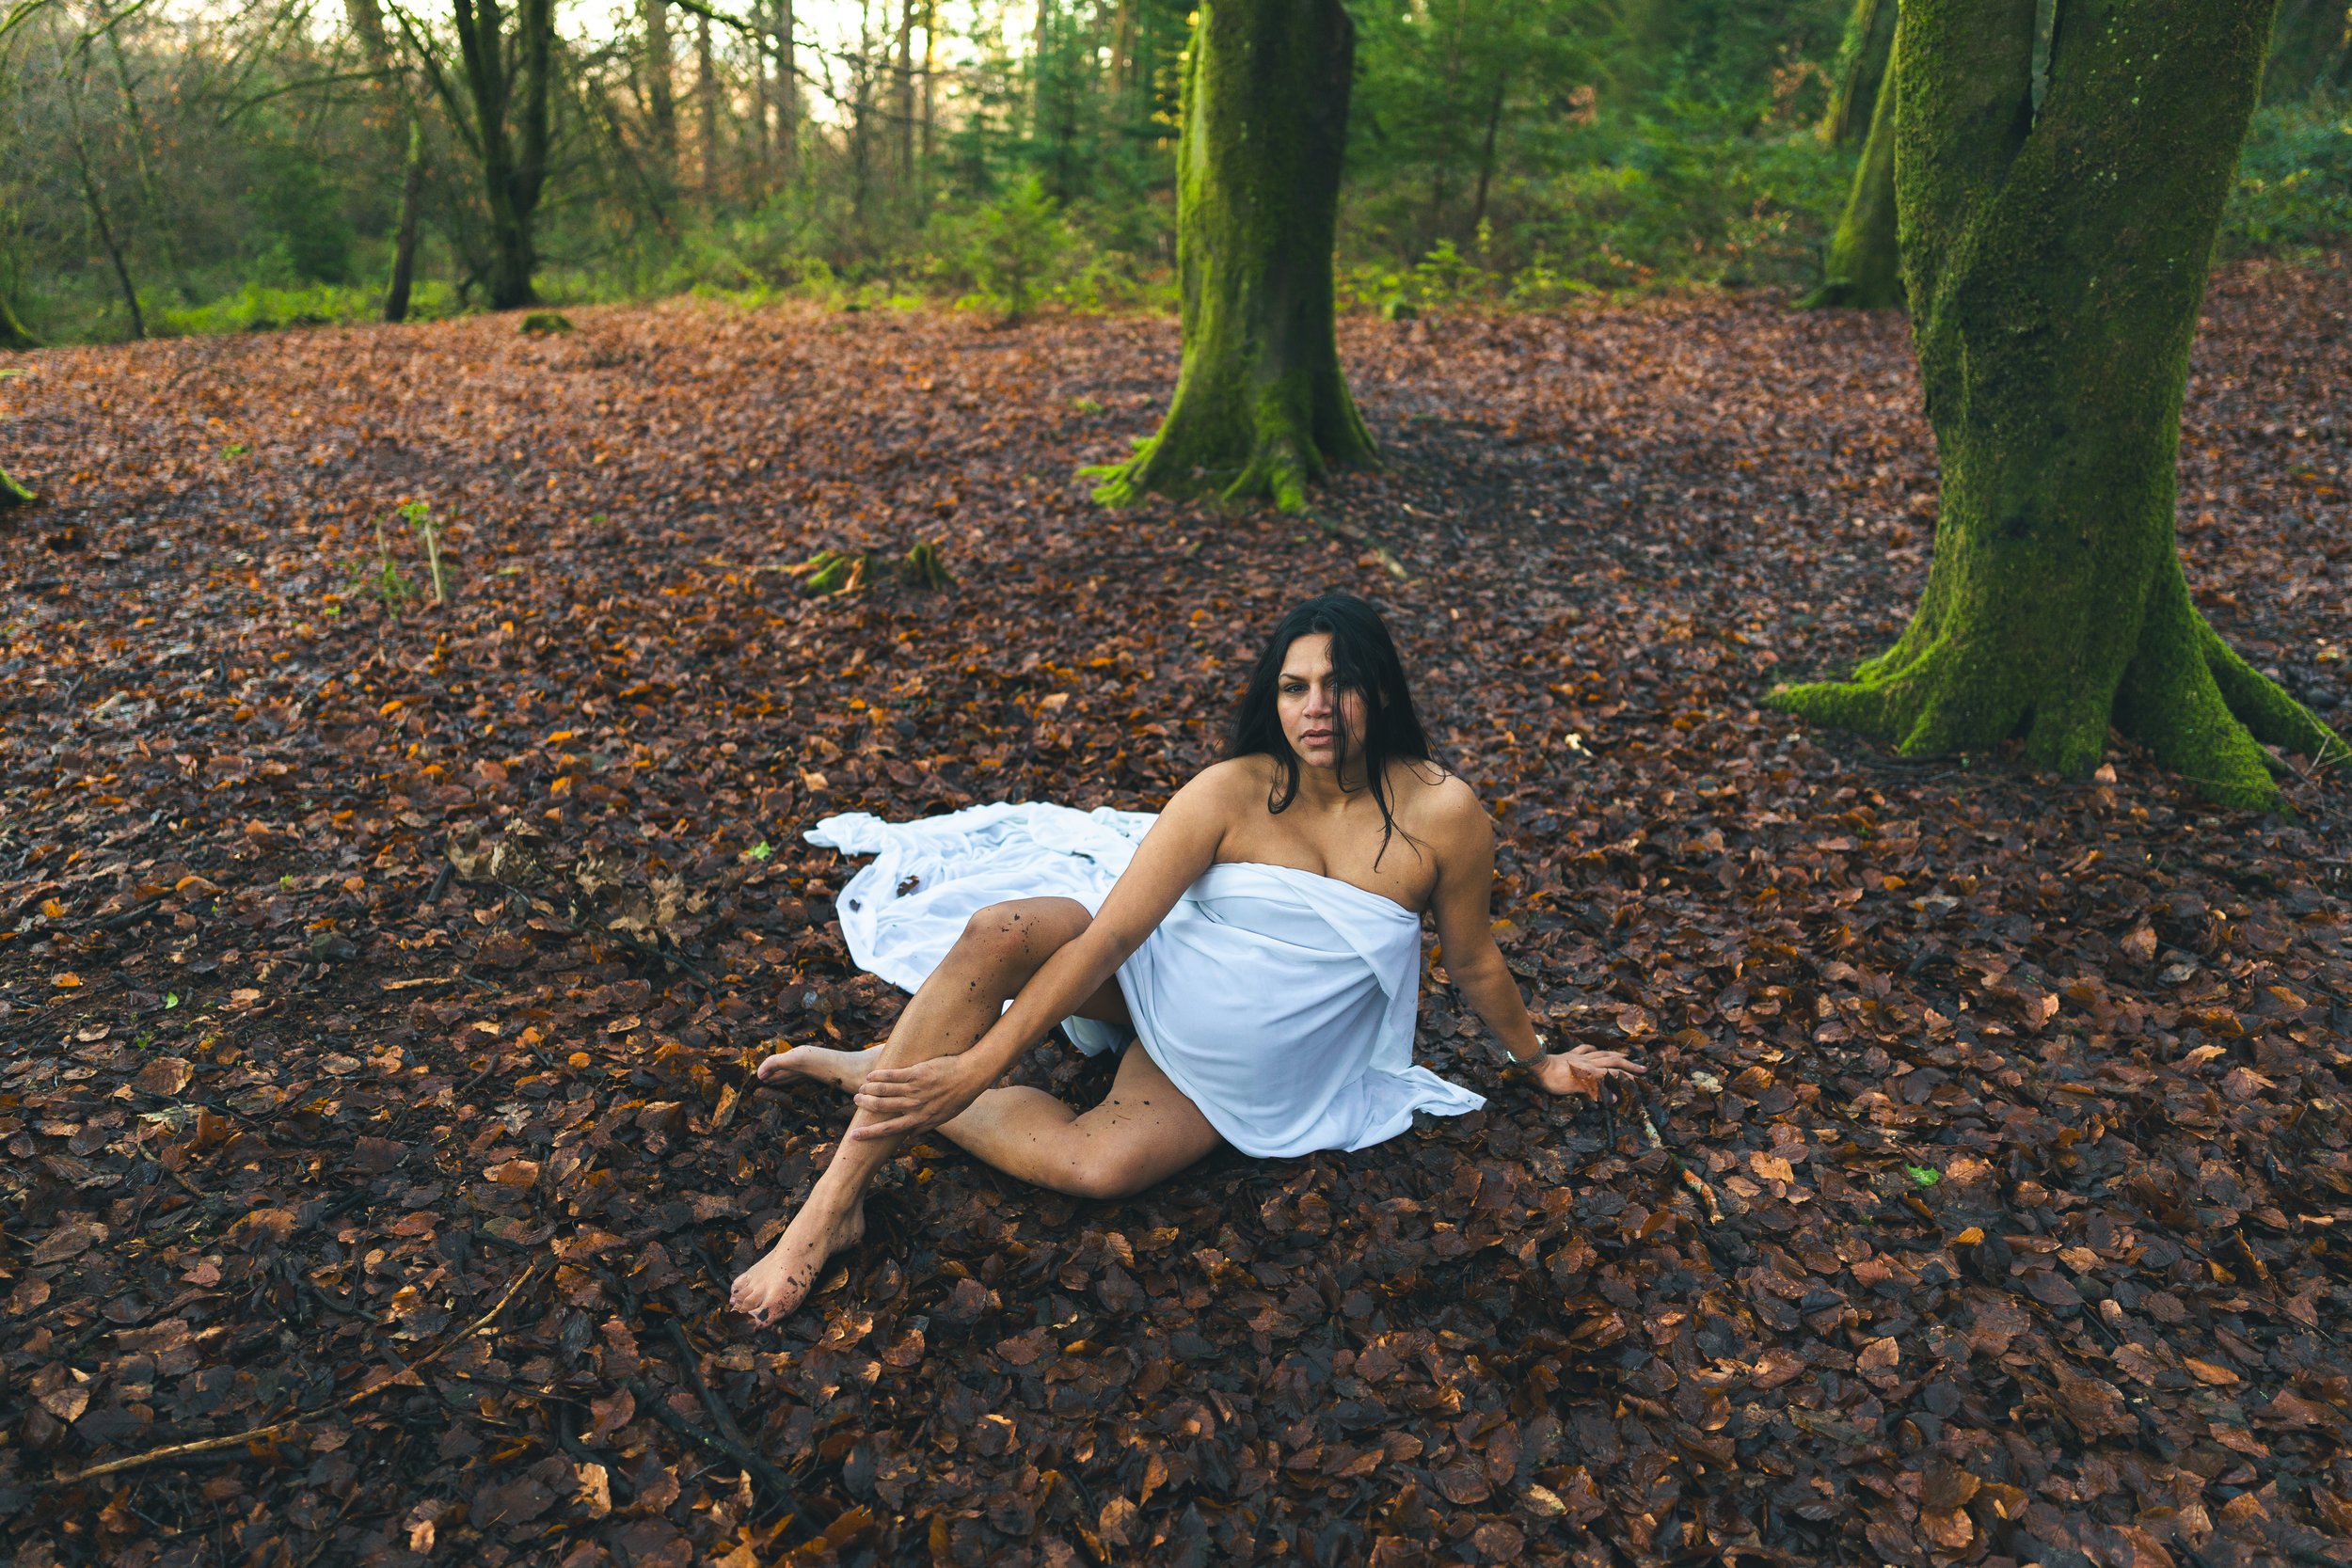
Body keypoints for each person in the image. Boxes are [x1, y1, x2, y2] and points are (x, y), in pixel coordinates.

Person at [730, 594, 1643, 1326]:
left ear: (1382, 692)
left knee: (1097, 1167)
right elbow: (1108, 938)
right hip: (1156, 980)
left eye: (1339, 684)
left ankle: (880, 1071)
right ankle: (832, 1206)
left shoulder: (1445, 813)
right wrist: (980, 1059)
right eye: (1294, 686)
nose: (1315, 708)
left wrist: (1537, 1058)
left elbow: (1475, 961)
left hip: (1246, 1076)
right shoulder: (1229, 791)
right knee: (1001, 929)